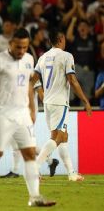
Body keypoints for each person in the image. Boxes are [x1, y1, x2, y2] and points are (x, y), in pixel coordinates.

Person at [0, 28, 56, 206]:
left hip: (22, 114)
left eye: (25, 47)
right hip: (2, 113)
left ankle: (35, 197)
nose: (21, 51)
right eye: (18, 47)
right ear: (10, 44)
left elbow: (29, 85)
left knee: (29, 154)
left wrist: (31, 108)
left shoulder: (29, 59)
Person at [32, 29, 92, 182]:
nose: (66, 41)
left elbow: (33, 79)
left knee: (62, 137)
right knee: (59, 137)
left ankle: (71, 173)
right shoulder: (66, 56)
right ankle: (34, 168)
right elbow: (72, 80)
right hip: (59, 102)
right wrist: (85, 101)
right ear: (60, 39)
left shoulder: (42, 57)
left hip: (47, 102)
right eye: (64, 39)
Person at [0, 82, 59, 178]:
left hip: (27, 115)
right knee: (17, 141)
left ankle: (33, 169)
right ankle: (50, 161)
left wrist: (49, 109)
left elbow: (40, 93)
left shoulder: (32, 76)